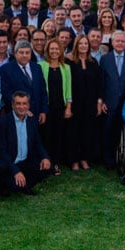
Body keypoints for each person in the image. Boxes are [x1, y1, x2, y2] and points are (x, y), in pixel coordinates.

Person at [0, 92, 52, 195]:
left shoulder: (31, 120)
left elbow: (37, 142)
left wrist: (45, 157)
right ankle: (10, 184)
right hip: (10, 163)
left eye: (24, 103)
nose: (21, 107)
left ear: (28, 105)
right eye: (18, 103)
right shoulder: (3, 122)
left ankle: (25, 184)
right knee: (13, 185)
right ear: (12, 105)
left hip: (25, 161)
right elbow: (1, 151)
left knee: (46, 167)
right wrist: (15, 171)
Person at [99, 31, 125, 169]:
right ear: (112, 42)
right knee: (108, 131)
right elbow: (101, 82)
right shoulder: (105, 59)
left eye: (122, 41)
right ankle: (108, 160)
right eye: (117, 41)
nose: (120, 43)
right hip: (109, 102)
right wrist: (102, 100)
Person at [67, 35, 102, 170]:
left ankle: (84, 158)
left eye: (85, 43)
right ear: (76, 45)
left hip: (90, 103)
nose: (83, 46)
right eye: (80, 43)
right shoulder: (69, 61)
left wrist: (99, 102)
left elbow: (99, 84)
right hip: (75, 103)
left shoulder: (93, 62)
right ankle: (74, 160)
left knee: (87, 131)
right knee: (73, 132)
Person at [39, 39, 72, 175]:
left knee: (58, 136)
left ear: (61, 51)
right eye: (52, 49)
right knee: (45, 135)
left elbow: (69, 90)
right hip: (46, 107)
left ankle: (56, 163)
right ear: (47, 50)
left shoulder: (66, 68)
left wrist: (68, 107)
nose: (54, 51)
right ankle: (45, 162)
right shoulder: (41, 66)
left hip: (60, 107)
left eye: (57, 49)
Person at [0, 41, 48, 124]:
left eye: (27, 52)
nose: (24, 55)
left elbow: (43, 90)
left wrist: (43, 110)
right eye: (21, 52)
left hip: (37, 114)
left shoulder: (37, 67)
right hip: (17, 115)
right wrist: (22, 109)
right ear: (15, 54)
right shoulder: (6, 69)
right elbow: (6, 93)